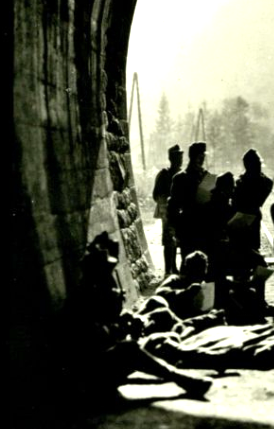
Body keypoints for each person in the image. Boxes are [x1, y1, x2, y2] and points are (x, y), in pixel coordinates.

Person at [70, 233, 213, 400]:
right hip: (91, 376)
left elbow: (110, 326)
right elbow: (94, 342)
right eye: (105, 271)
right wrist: (121, 329)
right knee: (129, 348)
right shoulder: (82, 299)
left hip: (107, 360)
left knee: (162, 339)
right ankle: (180, 378)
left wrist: (125, 323)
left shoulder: (96, 293)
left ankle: (202, 355)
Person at [167, 141, 213, 263]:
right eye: (200, 157)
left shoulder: (206, 176)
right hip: (188, 227)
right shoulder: (180, 178)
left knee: (206, 265)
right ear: (193, 157)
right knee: (189, 263)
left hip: (206, 227)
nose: (202, 160)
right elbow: (173, 206)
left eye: (203, 157)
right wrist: (175, 229)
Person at [231, 149, 274, 254]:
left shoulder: (239, 182)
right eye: (258, 163)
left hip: (244, 218)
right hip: (249, 218)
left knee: (245, 249)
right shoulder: (264, 182)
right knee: (250, 249)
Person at [152, 144, 184, 275]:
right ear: (171, 159)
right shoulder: (164, 174)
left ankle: (174, 267)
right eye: (177, 157)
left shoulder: (182, 174)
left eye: (180, 157)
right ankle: (168, 269)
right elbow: (156, 194)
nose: (179, 160)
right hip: (168, 211)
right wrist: (164, 206)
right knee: (168, 241)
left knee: (178, 240)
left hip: (179, 211)